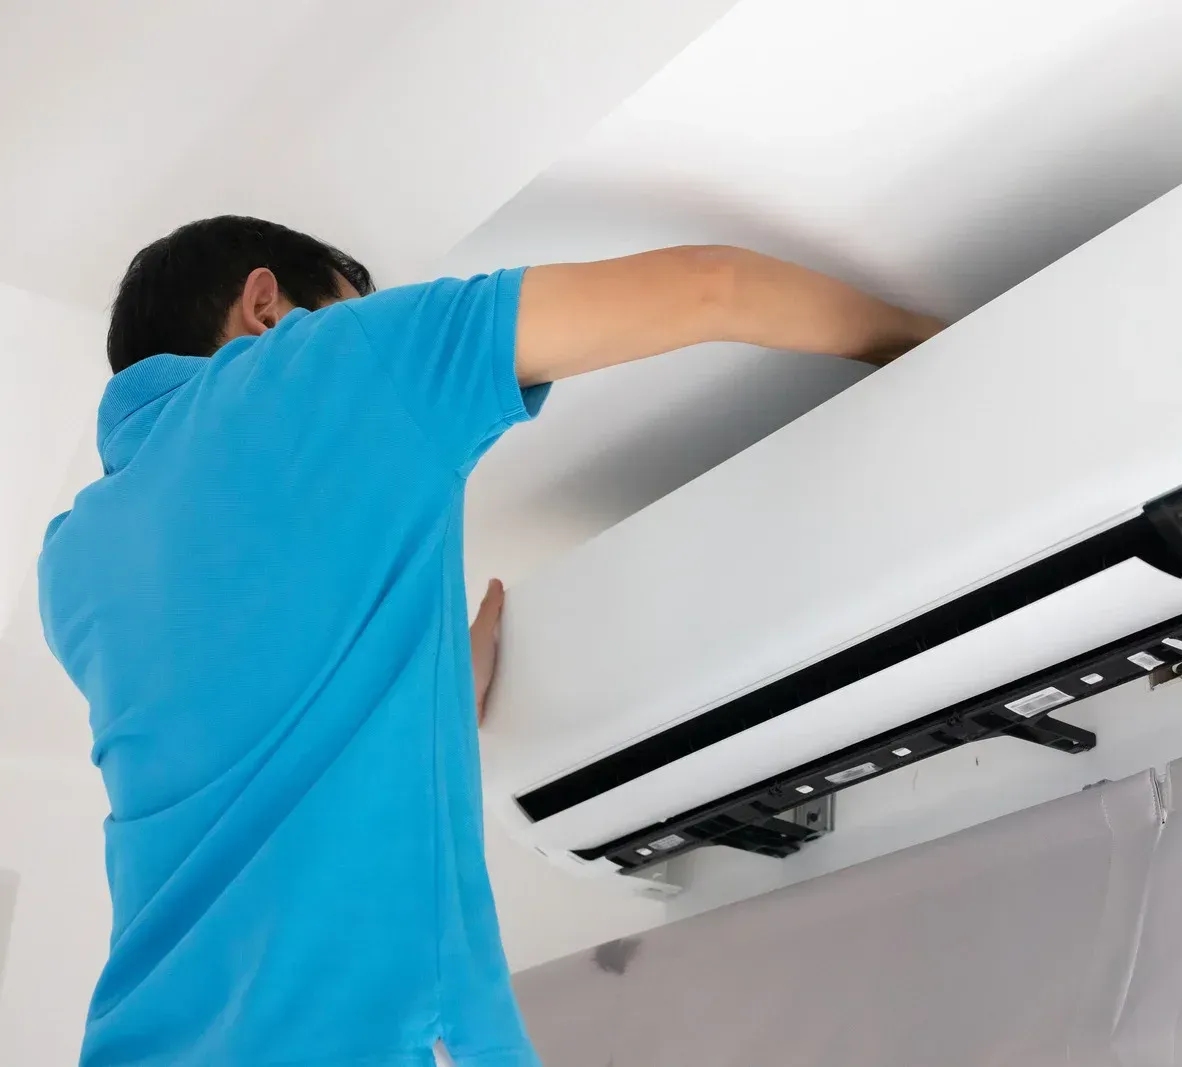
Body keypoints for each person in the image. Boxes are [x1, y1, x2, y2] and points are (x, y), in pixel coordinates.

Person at [37, 216, 942, 1067]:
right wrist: (932, 340)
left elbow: (237, 728)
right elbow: (710, 285)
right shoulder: (336, 361)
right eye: (353, 306)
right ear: (266, 306)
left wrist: (429, 687)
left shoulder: (72, 558)